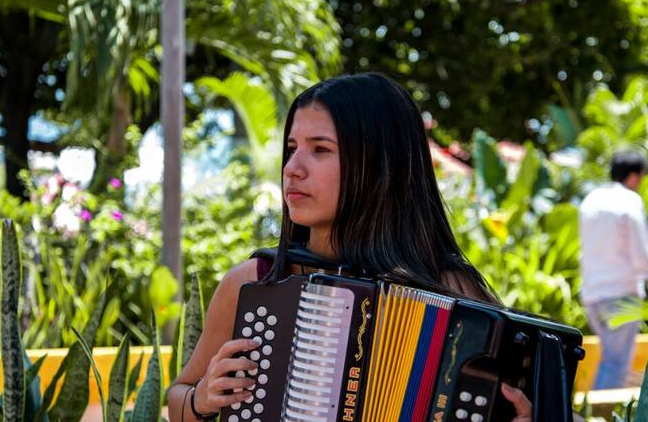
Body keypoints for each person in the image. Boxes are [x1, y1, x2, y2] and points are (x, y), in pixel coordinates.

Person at [167, 73, 532, 421]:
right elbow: (178, 398)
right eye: (292, 149)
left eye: (320, 149)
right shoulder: (255, 282)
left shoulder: (453, 296)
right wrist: (201, 399)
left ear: (379, 165)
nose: (292, 168)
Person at [578, 151, 648, 390]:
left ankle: (595, 407)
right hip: (622, 294)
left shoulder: (591, 200)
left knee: (611, 359)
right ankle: (600, 410)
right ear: (634, 176)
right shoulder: (629, 201)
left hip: (593, 294)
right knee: (616, 363)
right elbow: (641, 251)